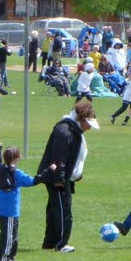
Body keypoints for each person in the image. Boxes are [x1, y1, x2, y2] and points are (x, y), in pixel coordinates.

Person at [37, 96, 99, 252]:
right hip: (57, 178)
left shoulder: (71, 130)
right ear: (81, 118)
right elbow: (59, 158)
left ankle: (50, 243)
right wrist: (60, 178)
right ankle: (61, 244)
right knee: (63, 210)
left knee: (54, 209)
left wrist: (76, 174)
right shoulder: (65, 131)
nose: (89, 128)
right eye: (88, 124)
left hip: (62, 176)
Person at [0, 143, 40, 261]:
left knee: (8, 233)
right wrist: (49, 171)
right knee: (9, 235)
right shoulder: (16, 174)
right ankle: (4, 258)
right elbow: (32, 181)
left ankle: (9, 257)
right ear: (17, 158)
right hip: (10, 210)